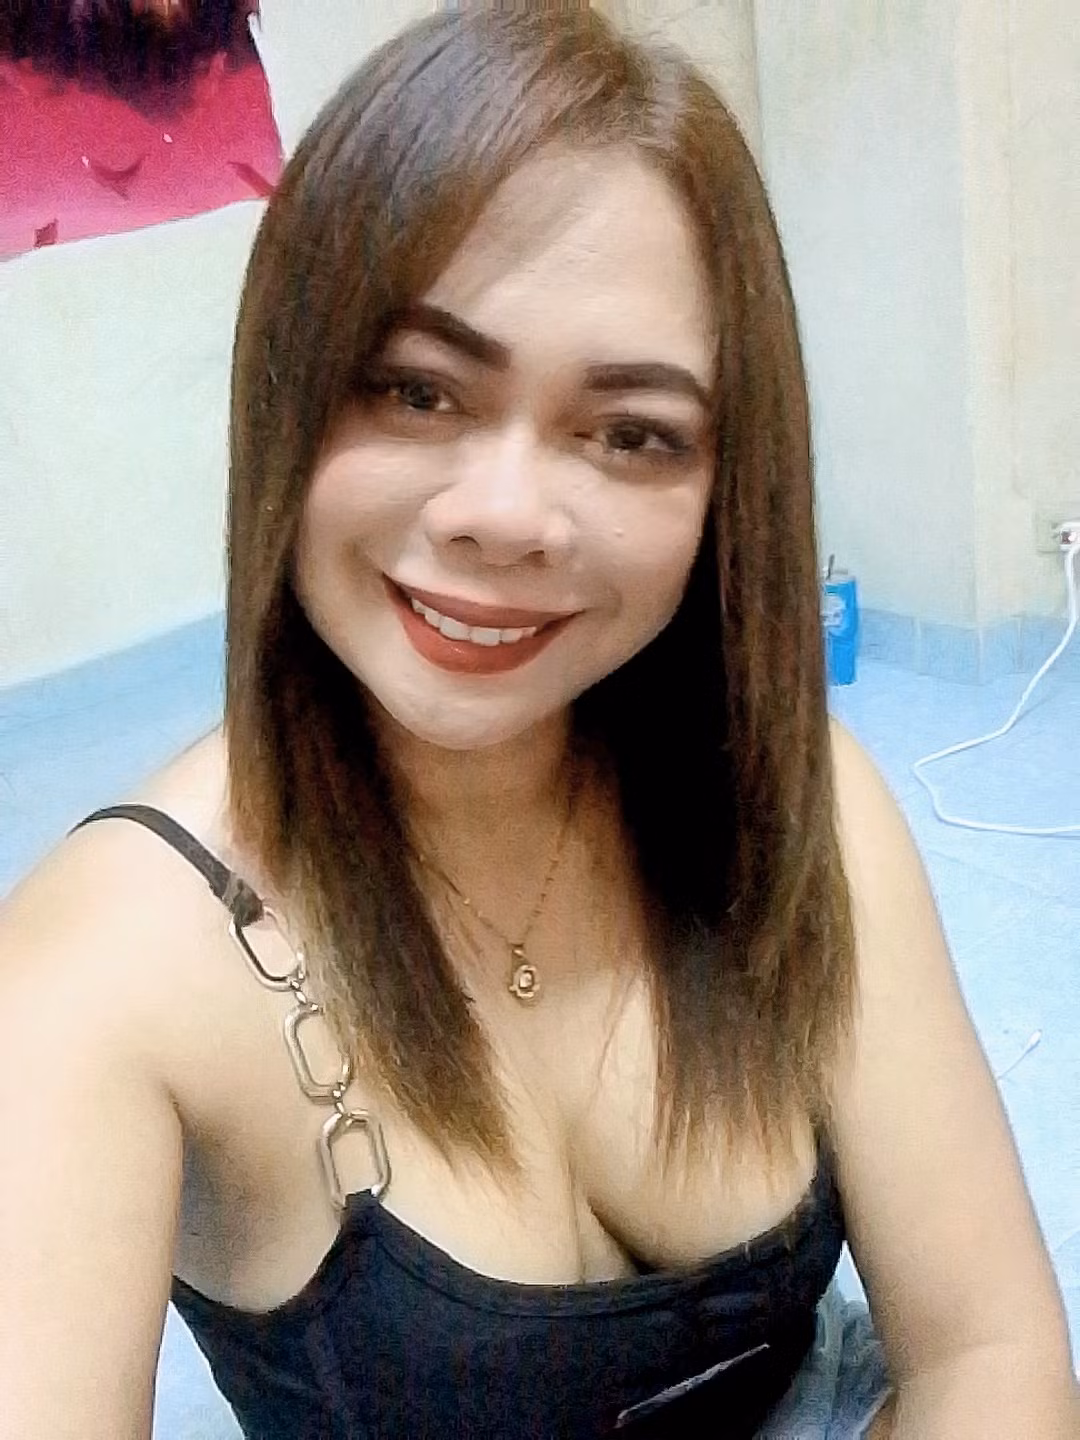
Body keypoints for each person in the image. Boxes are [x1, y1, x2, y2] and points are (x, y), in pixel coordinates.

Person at [2, 8, 1077, 1438]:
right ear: (288, 389)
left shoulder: (794, 801)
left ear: (722, 484)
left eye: (631, 433)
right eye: (418, 390)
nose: (507, 517)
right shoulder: (108, 964)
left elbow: (987, 1350)